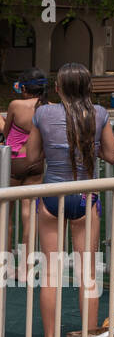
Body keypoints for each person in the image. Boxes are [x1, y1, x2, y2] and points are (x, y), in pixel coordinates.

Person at [23, 63, 114, 337]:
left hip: (52, 196)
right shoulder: (99, 114)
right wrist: (90, 146)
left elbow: (31, 156)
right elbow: (112, 156)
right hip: (84, 197)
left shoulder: (43, 114)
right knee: (87, 274)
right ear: (87, 87)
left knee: (51, 274)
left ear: (58, 88)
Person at [3, 70, 48, 281]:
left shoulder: (16, 105)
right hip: (37, 162)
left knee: (6, 213)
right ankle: (26, 269)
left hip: (14, 161)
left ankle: (6, 265)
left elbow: (6, 133)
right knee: (29, 215)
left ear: (23, 88)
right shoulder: (48, 108)